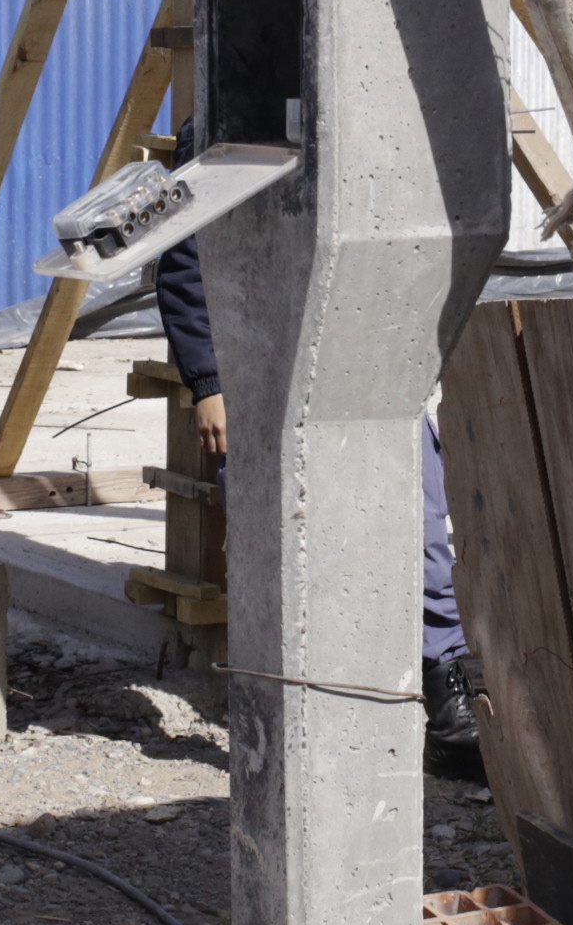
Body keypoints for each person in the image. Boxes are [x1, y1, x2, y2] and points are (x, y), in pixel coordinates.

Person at [154, 224, 483, 773]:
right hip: (266, 376)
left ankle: (450, 712)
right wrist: (210, 383)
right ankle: (294, 717)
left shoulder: (392, 144)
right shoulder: (230, 137)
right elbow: (187, 261)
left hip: (377, 371)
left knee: (422, 535)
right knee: (278, 551)